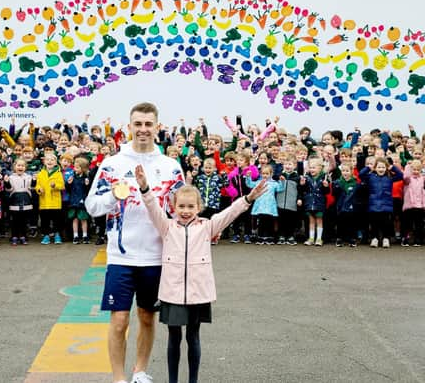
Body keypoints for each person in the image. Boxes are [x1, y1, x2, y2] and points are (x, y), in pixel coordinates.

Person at [136, 164, 266, 383]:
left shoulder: (207, 227)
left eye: (190, 206)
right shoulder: (166, 226)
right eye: (181, 206)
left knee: (193, 337)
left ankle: (193, 380)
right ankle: (173, 380)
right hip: (172, 293)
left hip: (198, 293)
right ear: (173, 207)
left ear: (199, 207)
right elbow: (152, 208)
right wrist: (145, 188)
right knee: (174, 337)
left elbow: (231, 212)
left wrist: (249, 198)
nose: (186, 211)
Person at [85, 102, 184, 383]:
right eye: (137, 124)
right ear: (129, 127)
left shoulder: (170, 167)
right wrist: (114, 196)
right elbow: (92, 206)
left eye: (148, 124)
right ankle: (119, 378)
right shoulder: (113, 163)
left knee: (147, 318)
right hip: (120, 256)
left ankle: (140, 371)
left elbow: (181, 211)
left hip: (156, 257)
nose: (143, 130)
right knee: (118, 321)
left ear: (157, 127)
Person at [245, 165, 283, 245]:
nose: (265, 175)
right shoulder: (259, 182)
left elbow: (280, 188)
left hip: (270, 206)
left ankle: (269, 237)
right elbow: (250, 184)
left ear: (271, 174)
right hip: (260, 205)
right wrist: (248, 177)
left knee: (269, 222)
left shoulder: (274, 183)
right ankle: (261, 237)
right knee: (261, 221)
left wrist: (282, 181)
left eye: (267, 173)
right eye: (263, 173)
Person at [66, 156, 92, 244]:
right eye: (74, 167)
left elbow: (88, 190)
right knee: (75, 219)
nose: (75, 169)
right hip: (73, 200)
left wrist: (87, 185)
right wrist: (68, 184)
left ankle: (85, 235)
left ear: (83, 168)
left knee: (83, 219)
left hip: (82, 200)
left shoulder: (86, 177)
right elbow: (68, 190)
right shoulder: (72, 177)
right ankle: (75, 236)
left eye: (77, 167)